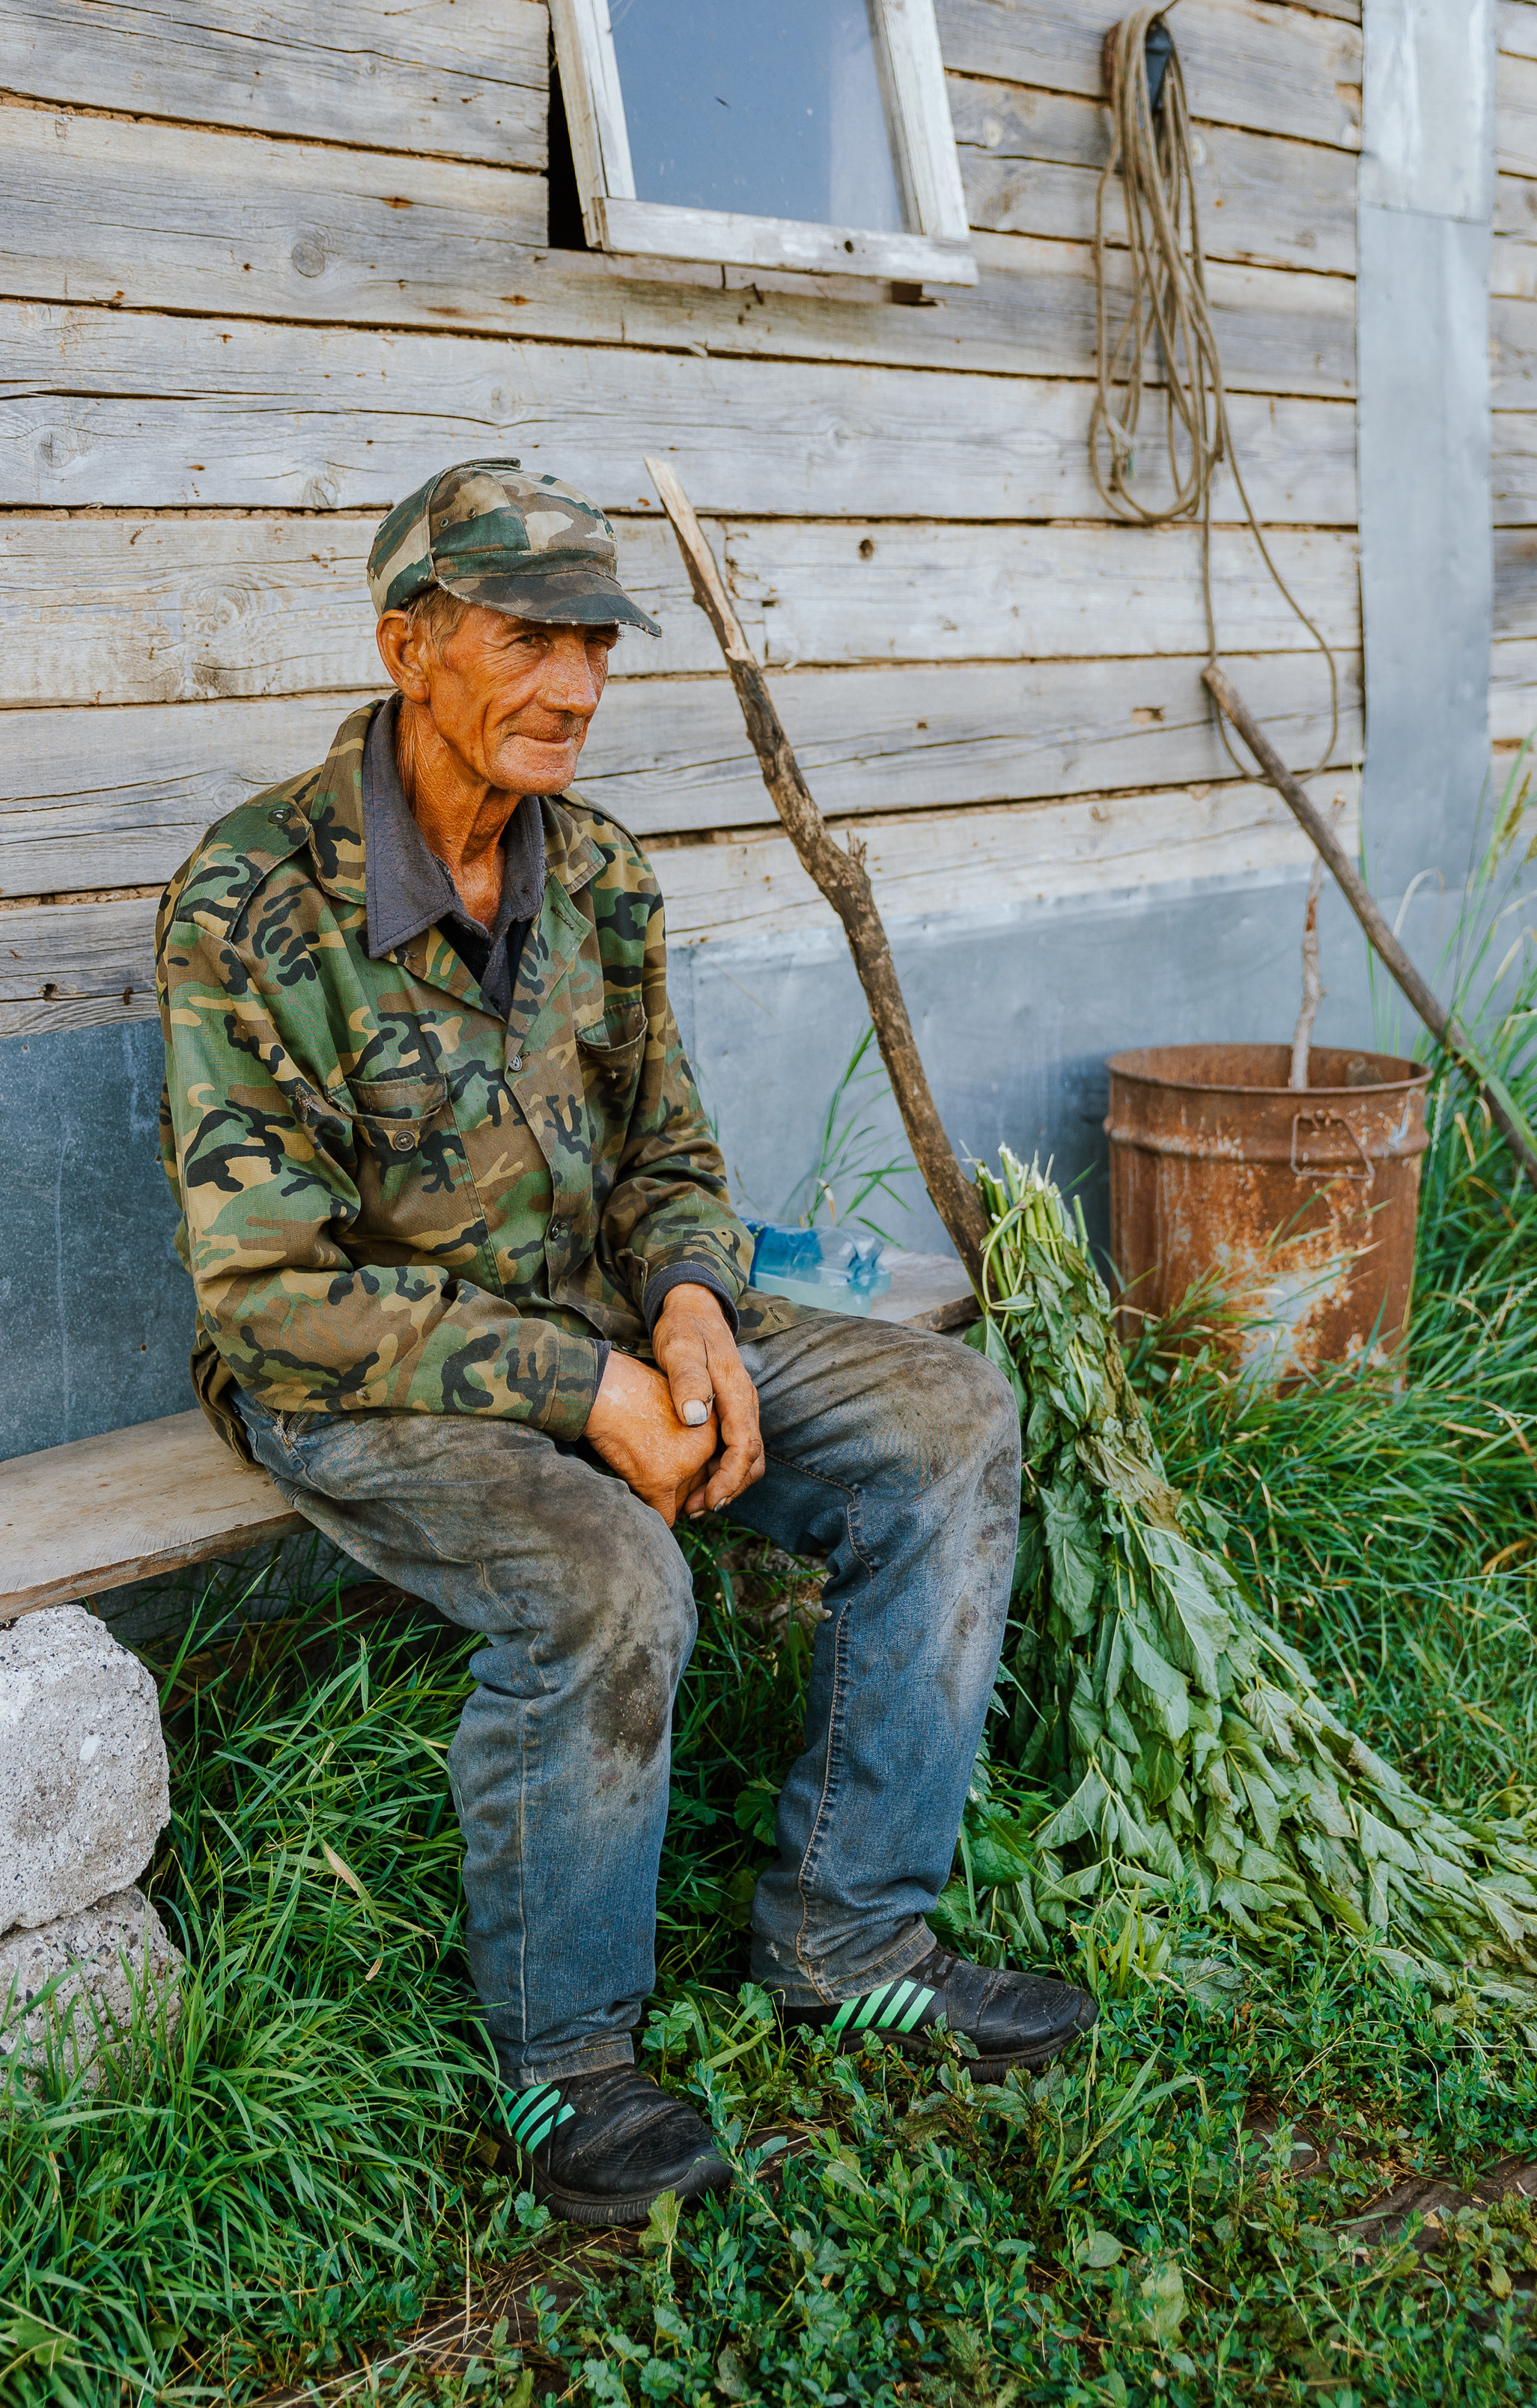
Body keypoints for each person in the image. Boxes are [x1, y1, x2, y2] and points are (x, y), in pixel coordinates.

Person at [156, 460, 1094, 2227]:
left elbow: (669, 1156)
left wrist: (680, 1310)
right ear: (403, 644)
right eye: (528, 636)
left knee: (946, 1413)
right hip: (364, 1380)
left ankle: (848, 1932)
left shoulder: (591, 870)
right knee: (606, 1577)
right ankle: (565, 2064)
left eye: (594, 640)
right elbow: (268, 1293)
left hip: (600, 1324)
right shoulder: (250, 901)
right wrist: (582, 1392)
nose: (574, 684)